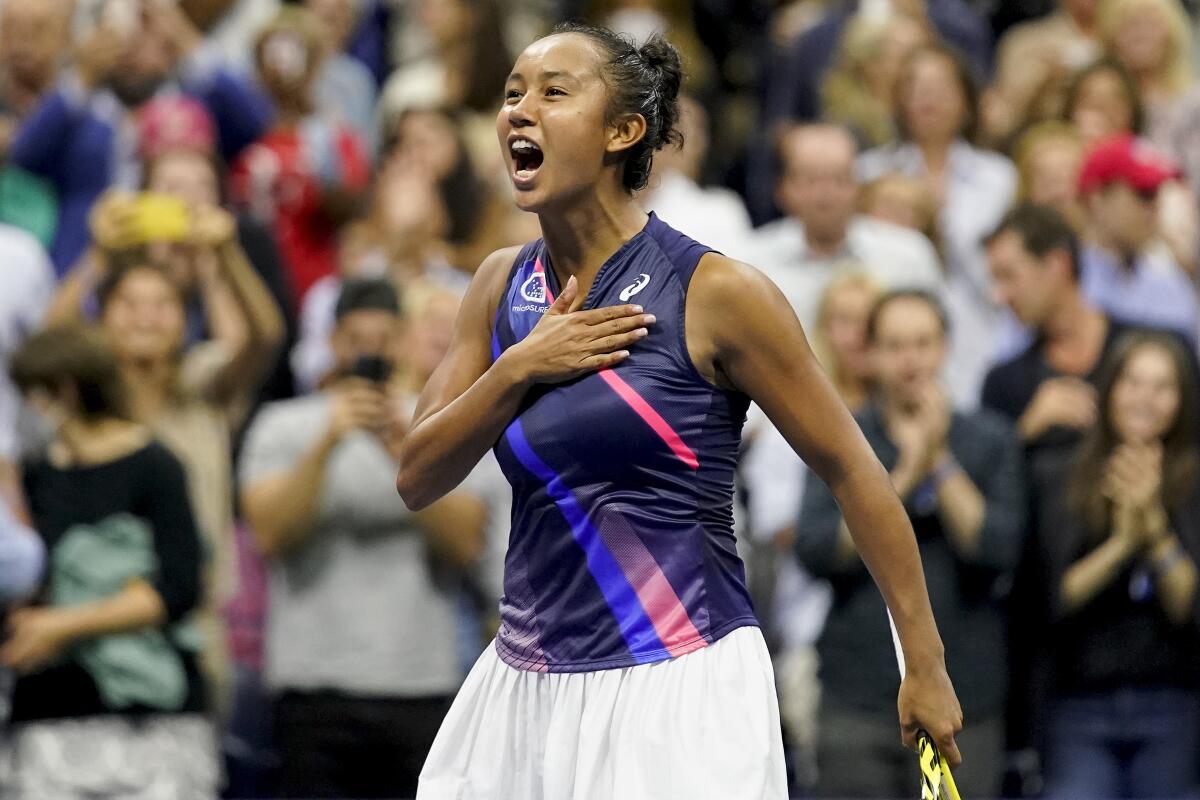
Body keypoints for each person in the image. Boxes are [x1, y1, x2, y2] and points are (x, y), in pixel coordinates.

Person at [399, 23, 962, 799]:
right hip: (523, 685)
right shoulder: (499, 286)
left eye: (554, 92)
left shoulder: (718, 293)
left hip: (681, 681)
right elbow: (418, 473)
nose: (519, 111)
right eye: (511, 95)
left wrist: (924, 663)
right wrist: (521, 366)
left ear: (623, 131)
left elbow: (854, 471)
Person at [239, 278, 488, 799]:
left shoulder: (435, 421)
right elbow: (268, 535)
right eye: (355, 338)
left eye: (382, 337)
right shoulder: (283, 425)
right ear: (333, 343)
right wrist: (327, 442)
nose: (369, 351)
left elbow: (467, 543)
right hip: (312, 685)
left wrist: (401, 447)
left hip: (420, 679)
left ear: (400, 340)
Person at [797, 290, 1025, 798]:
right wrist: (907, 472)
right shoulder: (840, 439)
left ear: (945, 348)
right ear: (872, 354)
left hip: (964, 700)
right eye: (895, 345)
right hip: (857, 695)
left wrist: (940, 462)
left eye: (923, 343)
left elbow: (998, 549)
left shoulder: (990, 440)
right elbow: (815, 550)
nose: (911, 359)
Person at [2, 324, 216, 798]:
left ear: (66, 389)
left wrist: (62, 626)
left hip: (150, 723)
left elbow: (179, 587)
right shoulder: (35, 474)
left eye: (30, 395)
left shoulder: (155, 466)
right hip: (51, 715)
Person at [1031, 332, 1200, 799]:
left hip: (1175, 701)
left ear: (1183, 400)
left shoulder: (1194, 481)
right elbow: (1050, 600)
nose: (1145, 399)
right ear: (1109, 389)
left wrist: (1156, 529)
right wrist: (1124, 544)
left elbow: (1188, 605)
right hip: (1078, 704)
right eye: (1133, 382)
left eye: (1162, 386)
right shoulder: (1058, 474)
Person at [9, 0, 272, 275]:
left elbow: (255, 122)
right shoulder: (80, 109)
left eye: (145, 27)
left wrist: (185, 38)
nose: (131, 40)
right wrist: (82, 76)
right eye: (120, 28)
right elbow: (25, 155)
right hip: (84, 266)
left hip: (177, 264)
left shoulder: (193, 103)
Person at [859, 43, 1017, 407]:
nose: (927, 97)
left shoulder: (999, 177)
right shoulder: (870, 172)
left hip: (982, 333)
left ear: (966, 100)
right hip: (896, 339)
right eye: (914, 87)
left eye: (941, 87)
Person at [229, 7, 370, 311]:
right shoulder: (240, 131)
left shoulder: (331, 137)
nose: (282, 65)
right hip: (253, 291)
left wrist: (320, 150)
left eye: (293, 51)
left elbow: (352, 206)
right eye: (272, 52)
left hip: (314, 287)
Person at [749, 123, 942, 335]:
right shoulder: (753, 265)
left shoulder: (908, 255)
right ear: (783, 189)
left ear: (859, 185)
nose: (825, 194)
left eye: (839, 179)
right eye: (810, 180)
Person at [1076, 134, 1197, 339]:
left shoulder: (1170, 281)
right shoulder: (1064, 277)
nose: (1154, 206)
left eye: (1157, 194)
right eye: (1144, 193)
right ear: (1097, 198)